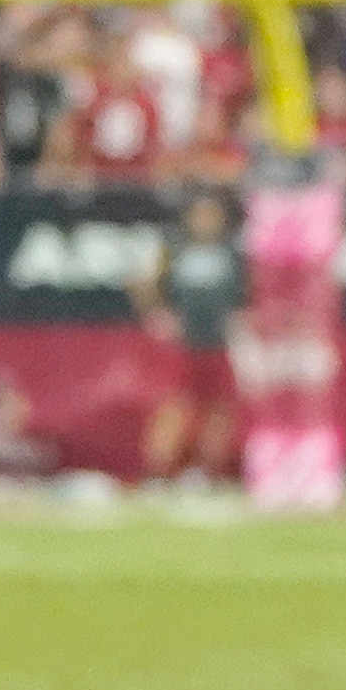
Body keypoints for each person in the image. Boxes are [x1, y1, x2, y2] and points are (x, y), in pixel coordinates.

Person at [132, 190, 244, 484]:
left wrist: (243, 317)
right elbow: (141, 282)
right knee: (174, 405)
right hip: (183, 344)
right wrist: (158, 313)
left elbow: (250, 290)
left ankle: (210, 471)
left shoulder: (232, 251)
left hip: (220, 342)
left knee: (219, 409)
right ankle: (157, 470)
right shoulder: (174, 248)